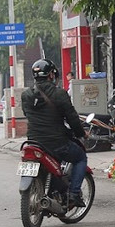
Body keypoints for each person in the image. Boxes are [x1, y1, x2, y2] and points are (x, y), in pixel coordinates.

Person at [21, 58, 87, 209]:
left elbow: (27, 114)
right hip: (57, 143)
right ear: (51, 75)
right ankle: (74, 194)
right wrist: (81, 134)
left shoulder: (26, 95)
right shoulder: (60, 94)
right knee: (80, 157)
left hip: (33, 143)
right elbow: (72, 118)